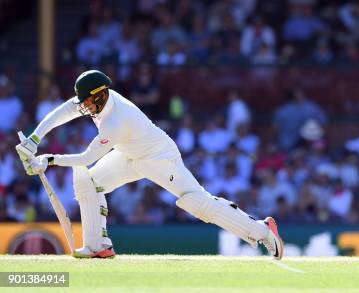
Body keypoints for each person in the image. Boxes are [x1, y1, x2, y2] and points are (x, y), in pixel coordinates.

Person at [15, 70, 283, 259]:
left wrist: (48, 160)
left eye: (86, 101)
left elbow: (86, 158)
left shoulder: (115, 121)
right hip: (129, 155)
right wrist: (35, 138)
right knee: (89, 182)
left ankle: (263, 232)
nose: (82, 107)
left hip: (158, 157)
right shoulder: (98, 99)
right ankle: (98, 246)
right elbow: (63, 111)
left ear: (99, 96)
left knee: (196, 203)